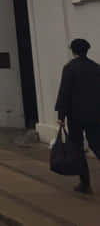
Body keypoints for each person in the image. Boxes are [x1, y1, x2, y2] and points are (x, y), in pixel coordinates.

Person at [55, 38, 100, 194]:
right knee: (96, 144)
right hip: (95, 114)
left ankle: (85, 182)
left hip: (75, 115)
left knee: (77, 148)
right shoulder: (96, 68)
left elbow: (64, 92)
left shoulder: (69, 68)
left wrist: (61, 116)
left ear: (73, 51)